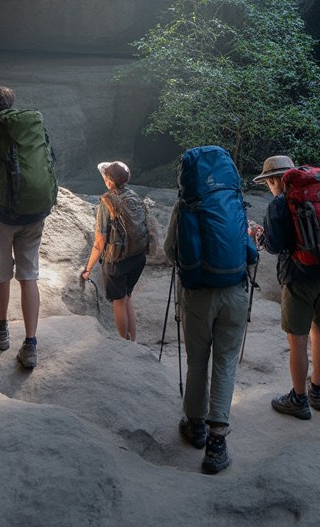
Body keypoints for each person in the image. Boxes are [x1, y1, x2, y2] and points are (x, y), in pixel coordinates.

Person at [164, 145, 259, 475]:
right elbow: (250, 253)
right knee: (226, 361)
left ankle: (196, 426)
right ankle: (217, 443)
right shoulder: (233, 201)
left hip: (198, 295)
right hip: (234, 292)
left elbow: (169, 251)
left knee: (198, 361)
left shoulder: (185, 205)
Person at [0, 86, 57, 370]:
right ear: (13, 105)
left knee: (1, 274)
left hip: (1, 216)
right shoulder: (35, 130)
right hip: (34, 215)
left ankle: (2, 331)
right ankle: (30, 345)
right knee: (29, 276)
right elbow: (50, 163)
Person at [253, 154, 320, 420]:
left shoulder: (280, 203)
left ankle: (299, 399)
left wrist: (258, 235)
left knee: (298, 341)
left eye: (268, 182)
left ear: (275, 179)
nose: (269, 187)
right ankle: (316, 390)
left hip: (299, 278)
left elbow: (275, 245)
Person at [79, 160, 148, 341]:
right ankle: (132, 341)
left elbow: (100, 241)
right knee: (127, 297)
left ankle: (123, 344)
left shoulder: (107, 201)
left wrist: (88, 269)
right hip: (138, 257)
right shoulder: (134, 196)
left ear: (109, 182)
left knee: (118, 302)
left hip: (117, 261)